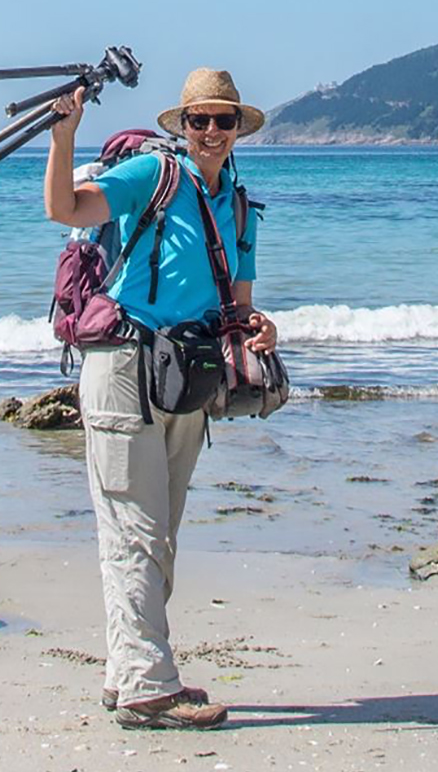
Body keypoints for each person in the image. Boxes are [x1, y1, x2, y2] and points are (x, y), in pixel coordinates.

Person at [44, 68, 278, 730]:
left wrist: (263, 328)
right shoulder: (154, 176)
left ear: (238, 130)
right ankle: (149, 685)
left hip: (189, 374)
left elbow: (240, 306)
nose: (210, 132)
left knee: (157, 535)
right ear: (182, 127)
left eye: (222, 121)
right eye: (198, 121)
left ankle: (128, 672)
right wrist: (64, 138)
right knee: (136, 528)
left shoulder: (236, 203)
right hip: (123, 365)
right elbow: (65, 209)